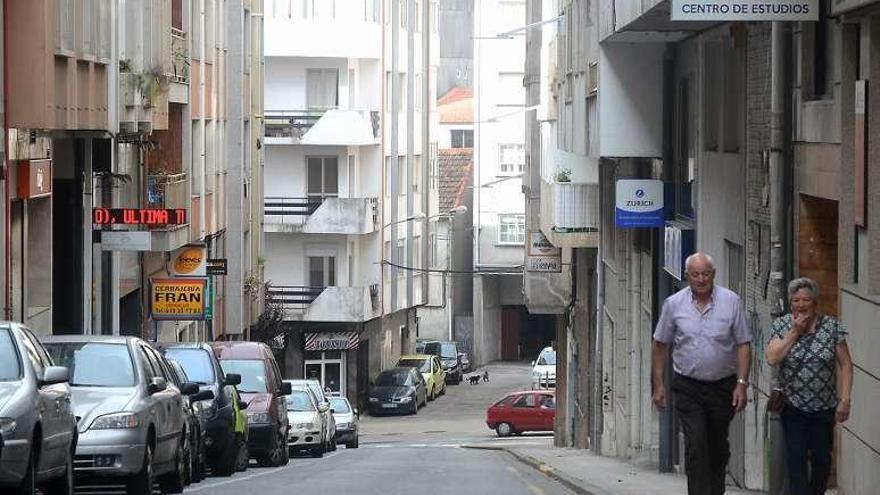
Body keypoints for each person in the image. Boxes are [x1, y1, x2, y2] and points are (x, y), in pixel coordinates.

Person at [652, 252, 752, 495]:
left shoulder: (731, 302)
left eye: (705, 274)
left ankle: (716, 490)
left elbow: (743, 344)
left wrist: (741, 384)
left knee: (717, 446)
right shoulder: (674, 304)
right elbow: (660, 344)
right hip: (688, 386)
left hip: (722, 387)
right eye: (695, 275)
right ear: (687, 276)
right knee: (696, 444)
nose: (700, 279)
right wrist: (659, 385)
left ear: (713, 275)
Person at [765, 277, 853, 495]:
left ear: (815, 302)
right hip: (793, 406)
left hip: (824, 406)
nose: (801, 305)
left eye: (806, 300)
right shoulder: (782, 325)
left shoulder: (831, 327)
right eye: (796, 300)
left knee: (822, 459)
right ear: (790, 302)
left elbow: (846, 364)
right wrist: (794, 332)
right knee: (796, 458)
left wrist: (845, 400)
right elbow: (772, 358)